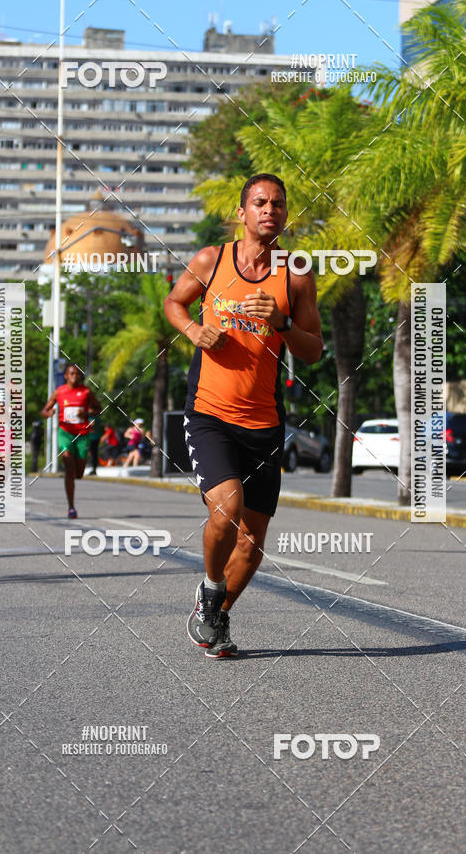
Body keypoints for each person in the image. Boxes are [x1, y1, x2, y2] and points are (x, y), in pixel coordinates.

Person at [164, 174, 323, 658]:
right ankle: (211, 588)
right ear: (242, 213)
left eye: (278, 203)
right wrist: (193, 331)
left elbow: (313, 350)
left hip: (264, 423)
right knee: (226, 509)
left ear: (285, 214)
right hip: (209, 413)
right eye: (259, 202)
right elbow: (174, 303)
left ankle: (215, 616)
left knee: (252, 544)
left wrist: (282, 322)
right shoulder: (211, 261)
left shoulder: (296, 274)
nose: (269, 209)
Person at [41, 363, 101, 518]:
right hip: (65, 433)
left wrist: (87, 413)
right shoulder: (59, 392)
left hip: (82, 435)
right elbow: (44, 410)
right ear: (66, 376)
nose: (74, 376)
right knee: (68, 465)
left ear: (80, 376)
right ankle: (71, 507)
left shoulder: (86, 392)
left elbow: (98, 408)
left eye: (77, 374)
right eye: (71, 373)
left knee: (78, 473)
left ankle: (75, 474)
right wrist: (49, 413)